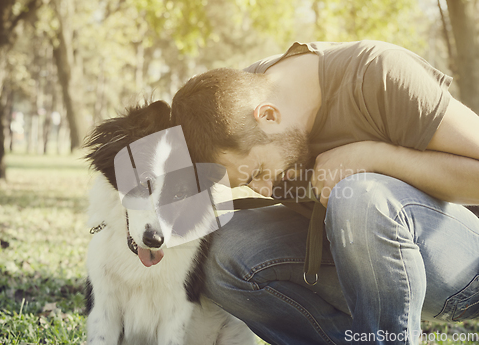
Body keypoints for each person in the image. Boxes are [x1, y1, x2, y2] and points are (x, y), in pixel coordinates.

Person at [170, 40, 479, 344]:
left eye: (258, 173)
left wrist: (375, 157)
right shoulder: (234, 103)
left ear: (268, 116)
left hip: (462, 271)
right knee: (215, 250)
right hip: (362, 271)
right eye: (247, 183)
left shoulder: (377, 74)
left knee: (359, 197)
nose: (265, 189)